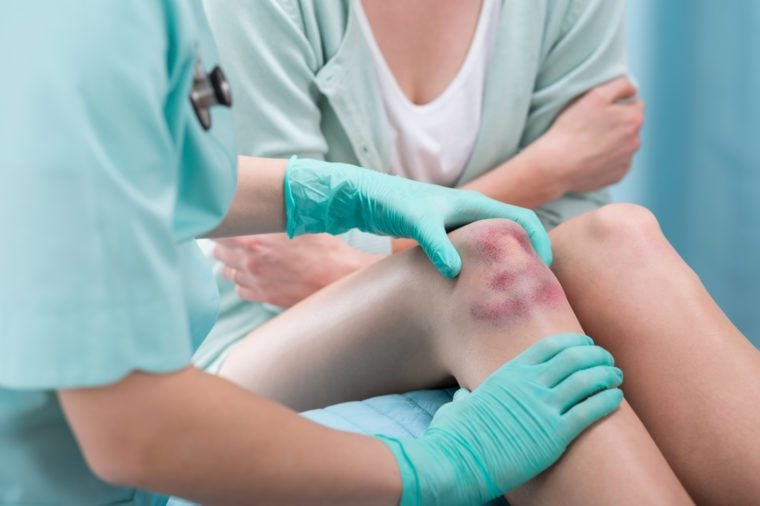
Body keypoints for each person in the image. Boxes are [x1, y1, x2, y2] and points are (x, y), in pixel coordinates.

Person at [0, 1, 626, 505]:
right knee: (496, 270)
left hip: (139, 442)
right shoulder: (76, 27)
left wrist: (332, 194)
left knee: (620, 241)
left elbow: (125, 180)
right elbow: (131, 431)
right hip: (85, 475)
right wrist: (430, 470)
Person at [201, 0, 760, 504]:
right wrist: (548, 167)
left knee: (619, 238)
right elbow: (266, 248)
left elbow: (573, 218)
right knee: (494, 269)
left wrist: (357, 264)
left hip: (415, 296)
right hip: (262, 341)